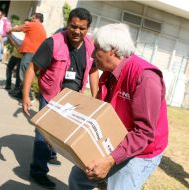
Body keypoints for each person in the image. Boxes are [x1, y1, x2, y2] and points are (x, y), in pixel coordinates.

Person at [68, 23, 169, 190]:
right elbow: (102, 110)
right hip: (117, 139)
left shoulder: (145, 78)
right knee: (78, 177)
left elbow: (144, 133)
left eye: (97, 49)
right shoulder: (109, 72)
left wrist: (110, 160)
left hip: (142, 151)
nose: (92, 55)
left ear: (112, 50)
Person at [22, 8, 99, 189]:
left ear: (88, 29)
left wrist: (95, 96)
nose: (77, 32)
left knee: (62, 133)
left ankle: (50, 154)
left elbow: (94, 70)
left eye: (82, 28)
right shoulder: (53, 43)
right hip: (51, 96)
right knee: (43, 134)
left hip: (74, 100)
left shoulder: (89, 46)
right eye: (73, 26)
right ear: (68, 24)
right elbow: (33, 67)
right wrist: (26, 95)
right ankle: (38, 171)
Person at [7, 13, 46, 99]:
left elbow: (19, 28)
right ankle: (21, 94)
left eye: (32, 18)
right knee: (25, 73)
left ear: (36, 18)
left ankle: (28, 96)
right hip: (34, 53)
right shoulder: (41, 27)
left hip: (30, 53)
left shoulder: (33, 24)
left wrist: (10, 30)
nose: (31, 20)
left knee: (23, 73)